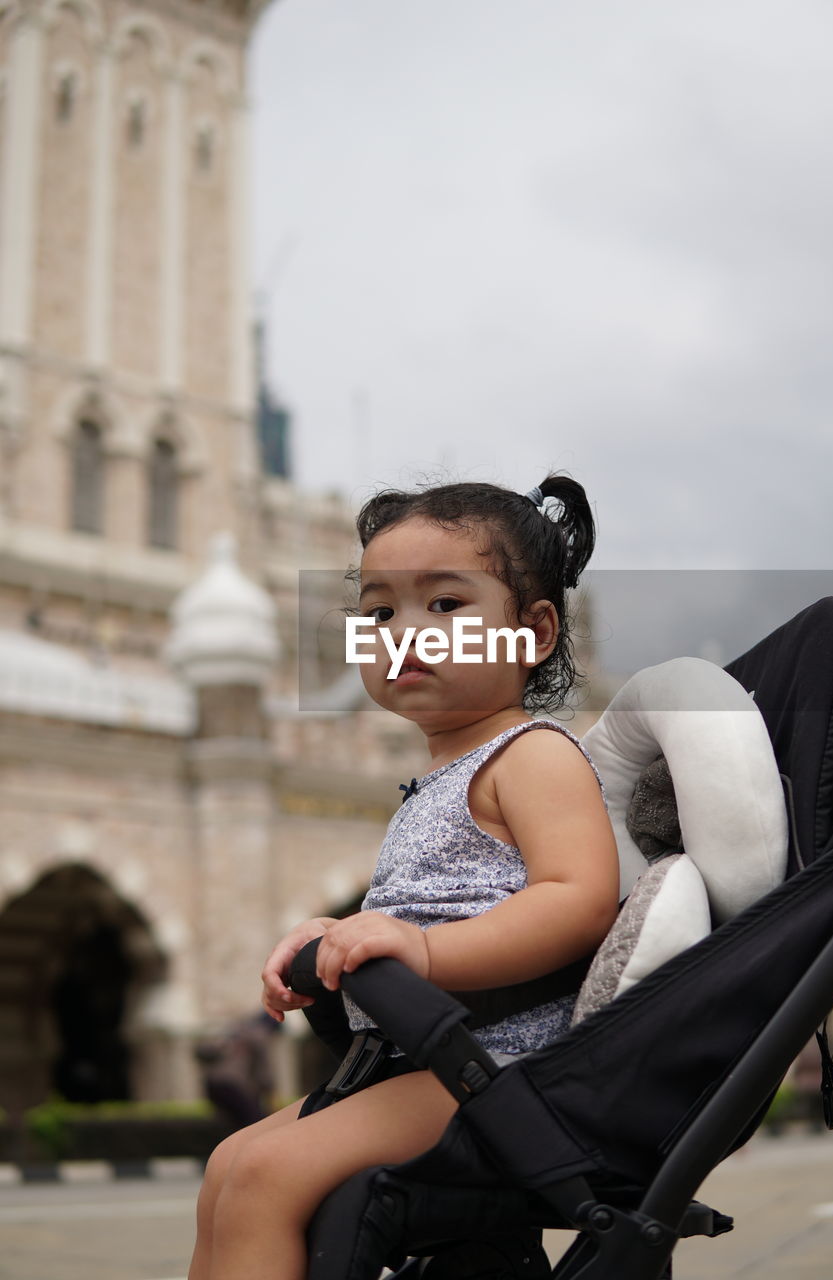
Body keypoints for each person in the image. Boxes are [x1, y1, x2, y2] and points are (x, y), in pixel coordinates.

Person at [188, 474, 619, 1280]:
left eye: (445, 605)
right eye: (378, 613)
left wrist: (421, 955)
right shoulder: (438, 780)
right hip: (423, 1059)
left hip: (501, 1068)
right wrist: (331, 935)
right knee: (230, 1167)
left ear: (531, 633)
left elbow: (579, 899)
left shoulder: (532, 756)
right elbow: (421, 907)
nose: (402, 633)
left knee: (263, 1176)